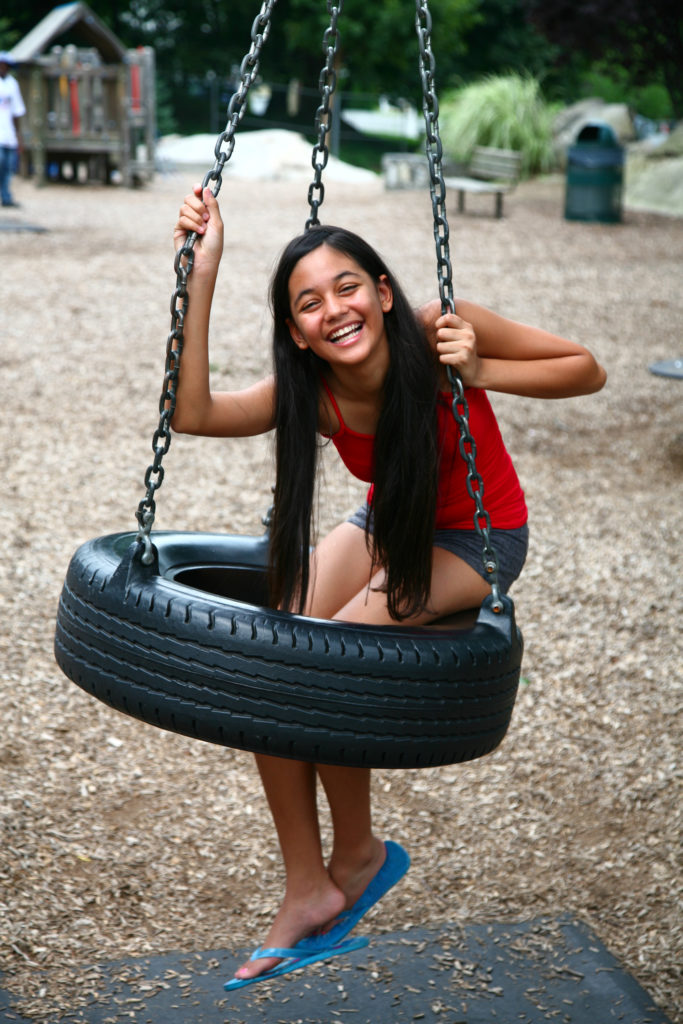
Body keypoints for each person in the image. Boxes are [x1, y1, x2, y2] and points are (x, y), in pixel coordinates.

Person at [172, 185, 607, 990]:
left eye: (346, 287)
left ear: (380, 291)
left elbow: (587, 370)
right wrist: (202, 271)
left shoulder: (438, 327)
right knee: (275, 656)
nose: (332, 310)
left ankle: (360, 853)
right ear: (296, 334)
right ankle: (311, 882)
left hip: (475, 539)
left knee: (331, 659)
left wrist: (480, 367)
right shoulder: (319, 397)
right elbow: (192, 413)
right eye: (307, 303)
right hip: (384, 520)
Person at [0, 52, 25, 209]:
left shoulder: (12, 84)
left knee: (9, 167)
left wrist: (19, 136)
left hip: (9, 134)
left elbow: (17, 112)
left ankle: (6, 197)